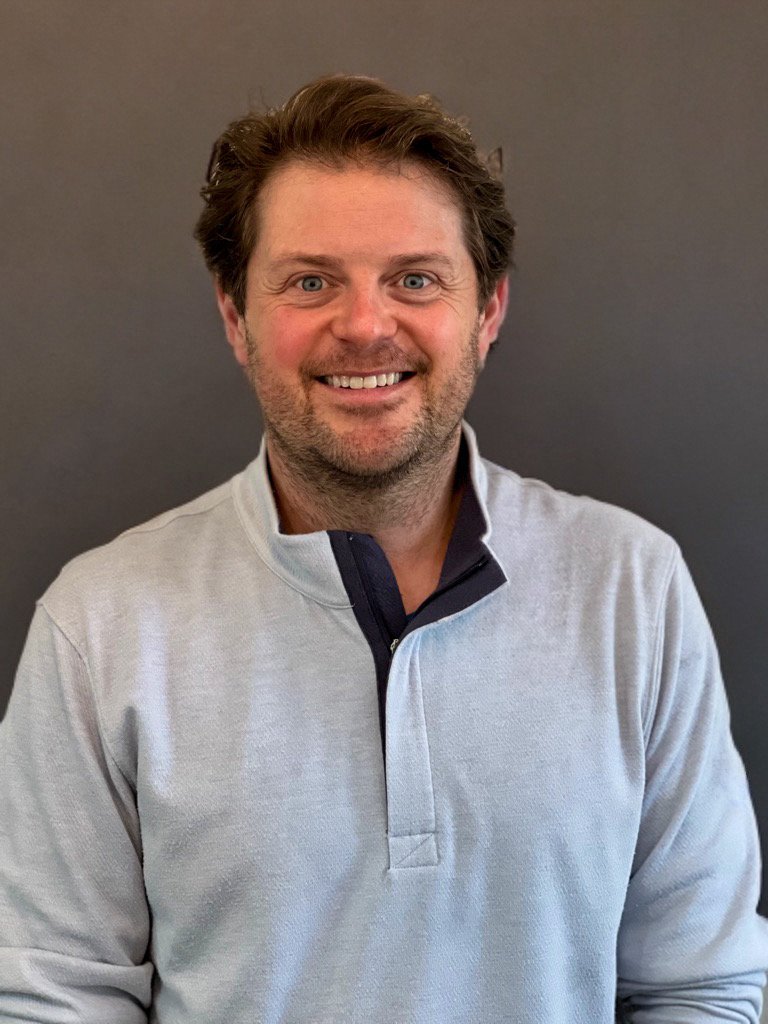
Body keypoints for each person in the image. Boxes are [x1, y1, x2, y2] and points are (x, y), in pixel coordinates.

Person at [1, 74, 766, 1024]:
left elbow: (705, 989)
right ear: (236, 317)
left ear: (486, 311)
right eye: (311, 280)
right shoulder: (100, 626)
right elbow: (50, 1002)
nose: (365, 326)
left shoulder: (632, 590)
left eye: (415, 279)